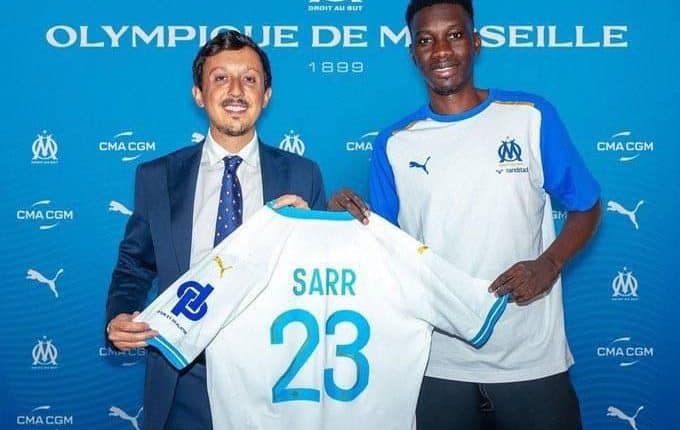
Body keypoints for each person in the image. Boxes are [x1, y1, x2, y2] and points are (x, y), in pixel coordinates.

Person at [329, 1, 601, 429]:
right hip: (435, 365)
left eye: (454, 35)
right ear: (413, 54)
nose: (441, 50)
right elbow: (383, 249)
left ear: (475, 43)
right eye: (426, 40)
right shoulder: (394, 143)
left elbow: (587, 205)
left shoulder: (529, 117)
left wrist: (549, 263)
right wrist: (343, 220)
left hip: (530, 359)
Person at [105, 30, 326, 430]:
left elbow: (322, 277)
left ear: (266, 95)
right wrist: (119, 314)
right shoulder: (157, 177)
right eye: (221, 78)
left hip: (274, 378)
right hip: (184, 377)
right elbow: (134, 265)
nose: (236, 90)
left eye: (250, 79)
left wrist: (321, 232)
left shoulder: (302, 175)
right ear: (198, 94)